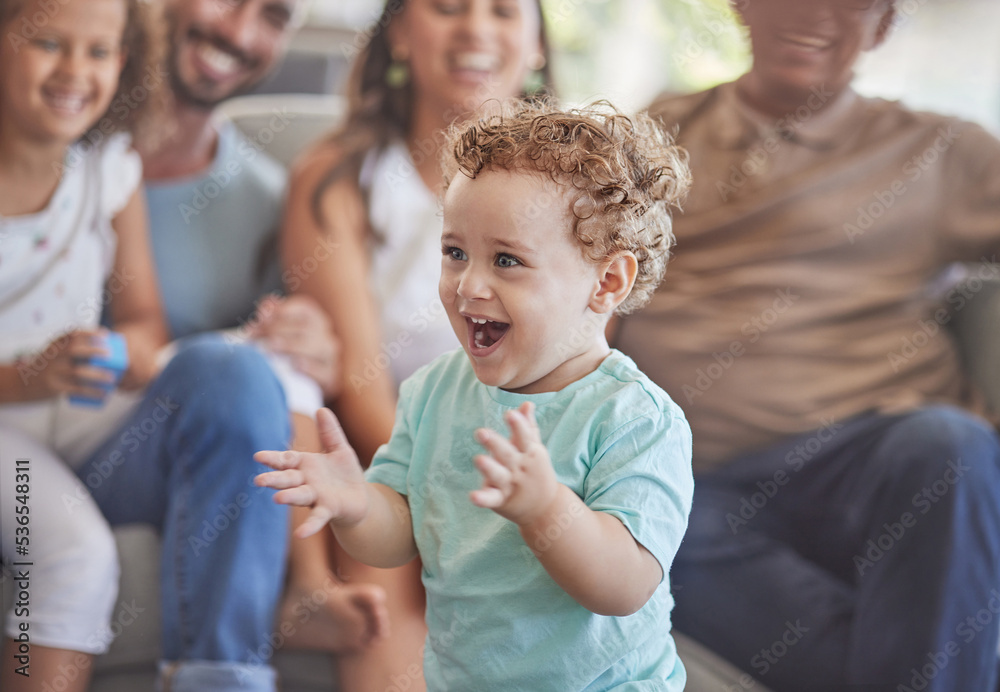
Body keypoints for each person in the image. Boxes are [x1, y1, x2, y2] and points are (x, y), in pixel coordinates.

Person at [614, 1, 1000, 690]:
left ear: (882, 26)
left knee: (951, 446)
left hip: (870, 462)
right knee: (636, 526)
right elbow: (581, 279)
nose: (814, 12)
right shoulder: (657, 132)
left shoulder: (944, 151)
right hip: (697, 480)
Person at [256, 101, 696, 691]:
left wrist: (547, 510)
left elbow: (624, 587)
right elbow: (398, 538)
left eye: (507, 260)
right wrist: (358, 503)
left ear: (607, 282)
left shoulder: (635, 419)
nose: (469, 284)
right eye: (455, 252)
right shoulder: (435, 390)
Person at [278, 0, 554, 685]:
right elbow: (360, 387)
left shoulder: (570, 194)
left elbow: (573, 379)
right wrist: (448, 499)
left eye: (502, 10)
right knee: (377, 554)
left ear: (538, 45)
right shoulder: (339, 180)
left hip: (529, 469)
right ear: (398, 32)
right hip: (395, 459)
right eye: (447, 7)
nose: (475, 30)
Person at [0, 0, 166, 689]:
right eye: (49, 44)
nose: (76, 71)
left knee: (244, 381)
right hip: (7, 418)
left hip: (77, 408)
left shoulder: (109, 170)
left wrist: (117, 351)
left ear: (123, 61)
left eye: (99, 52)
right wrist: (23, 379)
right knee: (73, 552)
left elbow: (148, 325)